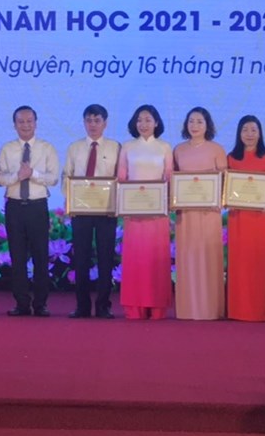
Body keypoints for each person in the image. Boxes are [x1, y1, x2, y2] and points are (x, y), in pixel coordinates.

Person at [0, 106, 60, 317]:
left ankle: (41, 304)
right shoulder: (7, 149)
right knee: (18, 257)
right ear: (14, 125)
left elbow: (53, 178)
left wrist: (33, 174)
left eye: (29, 121)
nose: (25, 125)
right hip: (14, 207)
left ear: (36, 123)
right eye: (21, 122)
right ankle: (21, 303)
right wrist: (17, 176)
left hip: (37, 206)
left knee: (41, 256)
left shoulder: (46, 148)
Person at [63, 104, 121, 319]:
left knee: (106, 258)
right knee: (81, 259)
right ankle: (82, 306)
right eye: (89, 120)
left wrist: (117, 203)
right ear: (84, 122)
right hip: (81, 211)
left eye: (97, 120)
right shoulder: (74, 148)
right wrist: (72, 201)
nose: (93, 125)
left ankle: (104, 305)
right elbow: (66, 177)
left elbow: (120, 178)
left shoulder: (116, 147)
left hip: (106, 211)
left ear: (105, 123)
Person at [116, 104, 174, 320]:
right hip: (134, 212)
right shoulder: (127, 147)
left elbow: (169, 178)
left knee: (156, 258)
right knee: (135, 258)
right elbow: (122, 178)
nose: (143, 124)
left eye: (148, 119)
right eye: (139, 120)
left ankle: (157, 306)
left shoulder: (165, 147)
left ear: (156, 123)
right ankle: (134, 306)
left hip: (157, 214)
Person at [172, 106, 227, 321]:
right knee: (188, 257)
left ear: (207, 125)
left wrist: (219, 200)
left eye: (199, 121)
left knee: (208, 257)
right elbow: (174, 181)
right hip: (186, 214)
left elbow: (224, 181)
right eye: (191, 121)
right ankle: (188, 308)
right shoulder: (178, 150)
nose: (194, 125)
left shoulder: (217, 149)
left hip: (209, 214)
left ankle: (211, 309)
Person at [226, 114, 265, 322]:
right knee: (241, 265)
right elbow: (225, 188)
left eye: (253, 130)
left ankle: (264, 311)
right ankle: (240, 310)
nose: (249, 134)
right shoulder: (231, 158)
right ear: (239, 133)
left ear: (260, 133)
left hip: (262, 219)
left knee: (261, 263)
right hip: (239, 218)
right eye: (245, 130)